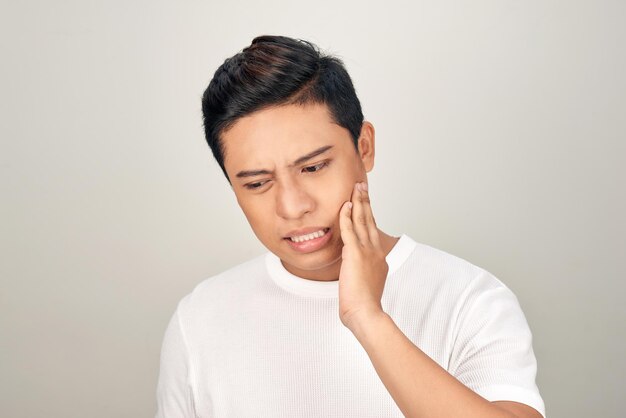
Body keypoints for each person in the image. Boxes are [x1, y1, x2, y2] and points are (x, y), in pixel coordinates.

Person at [156, 35, 545, 418]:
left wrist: (367, 317)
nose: (293, 207)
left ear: (364, 147)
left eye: (313, 167)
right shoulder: (200, 318)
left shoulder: (469, 299)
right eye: (257, 184)